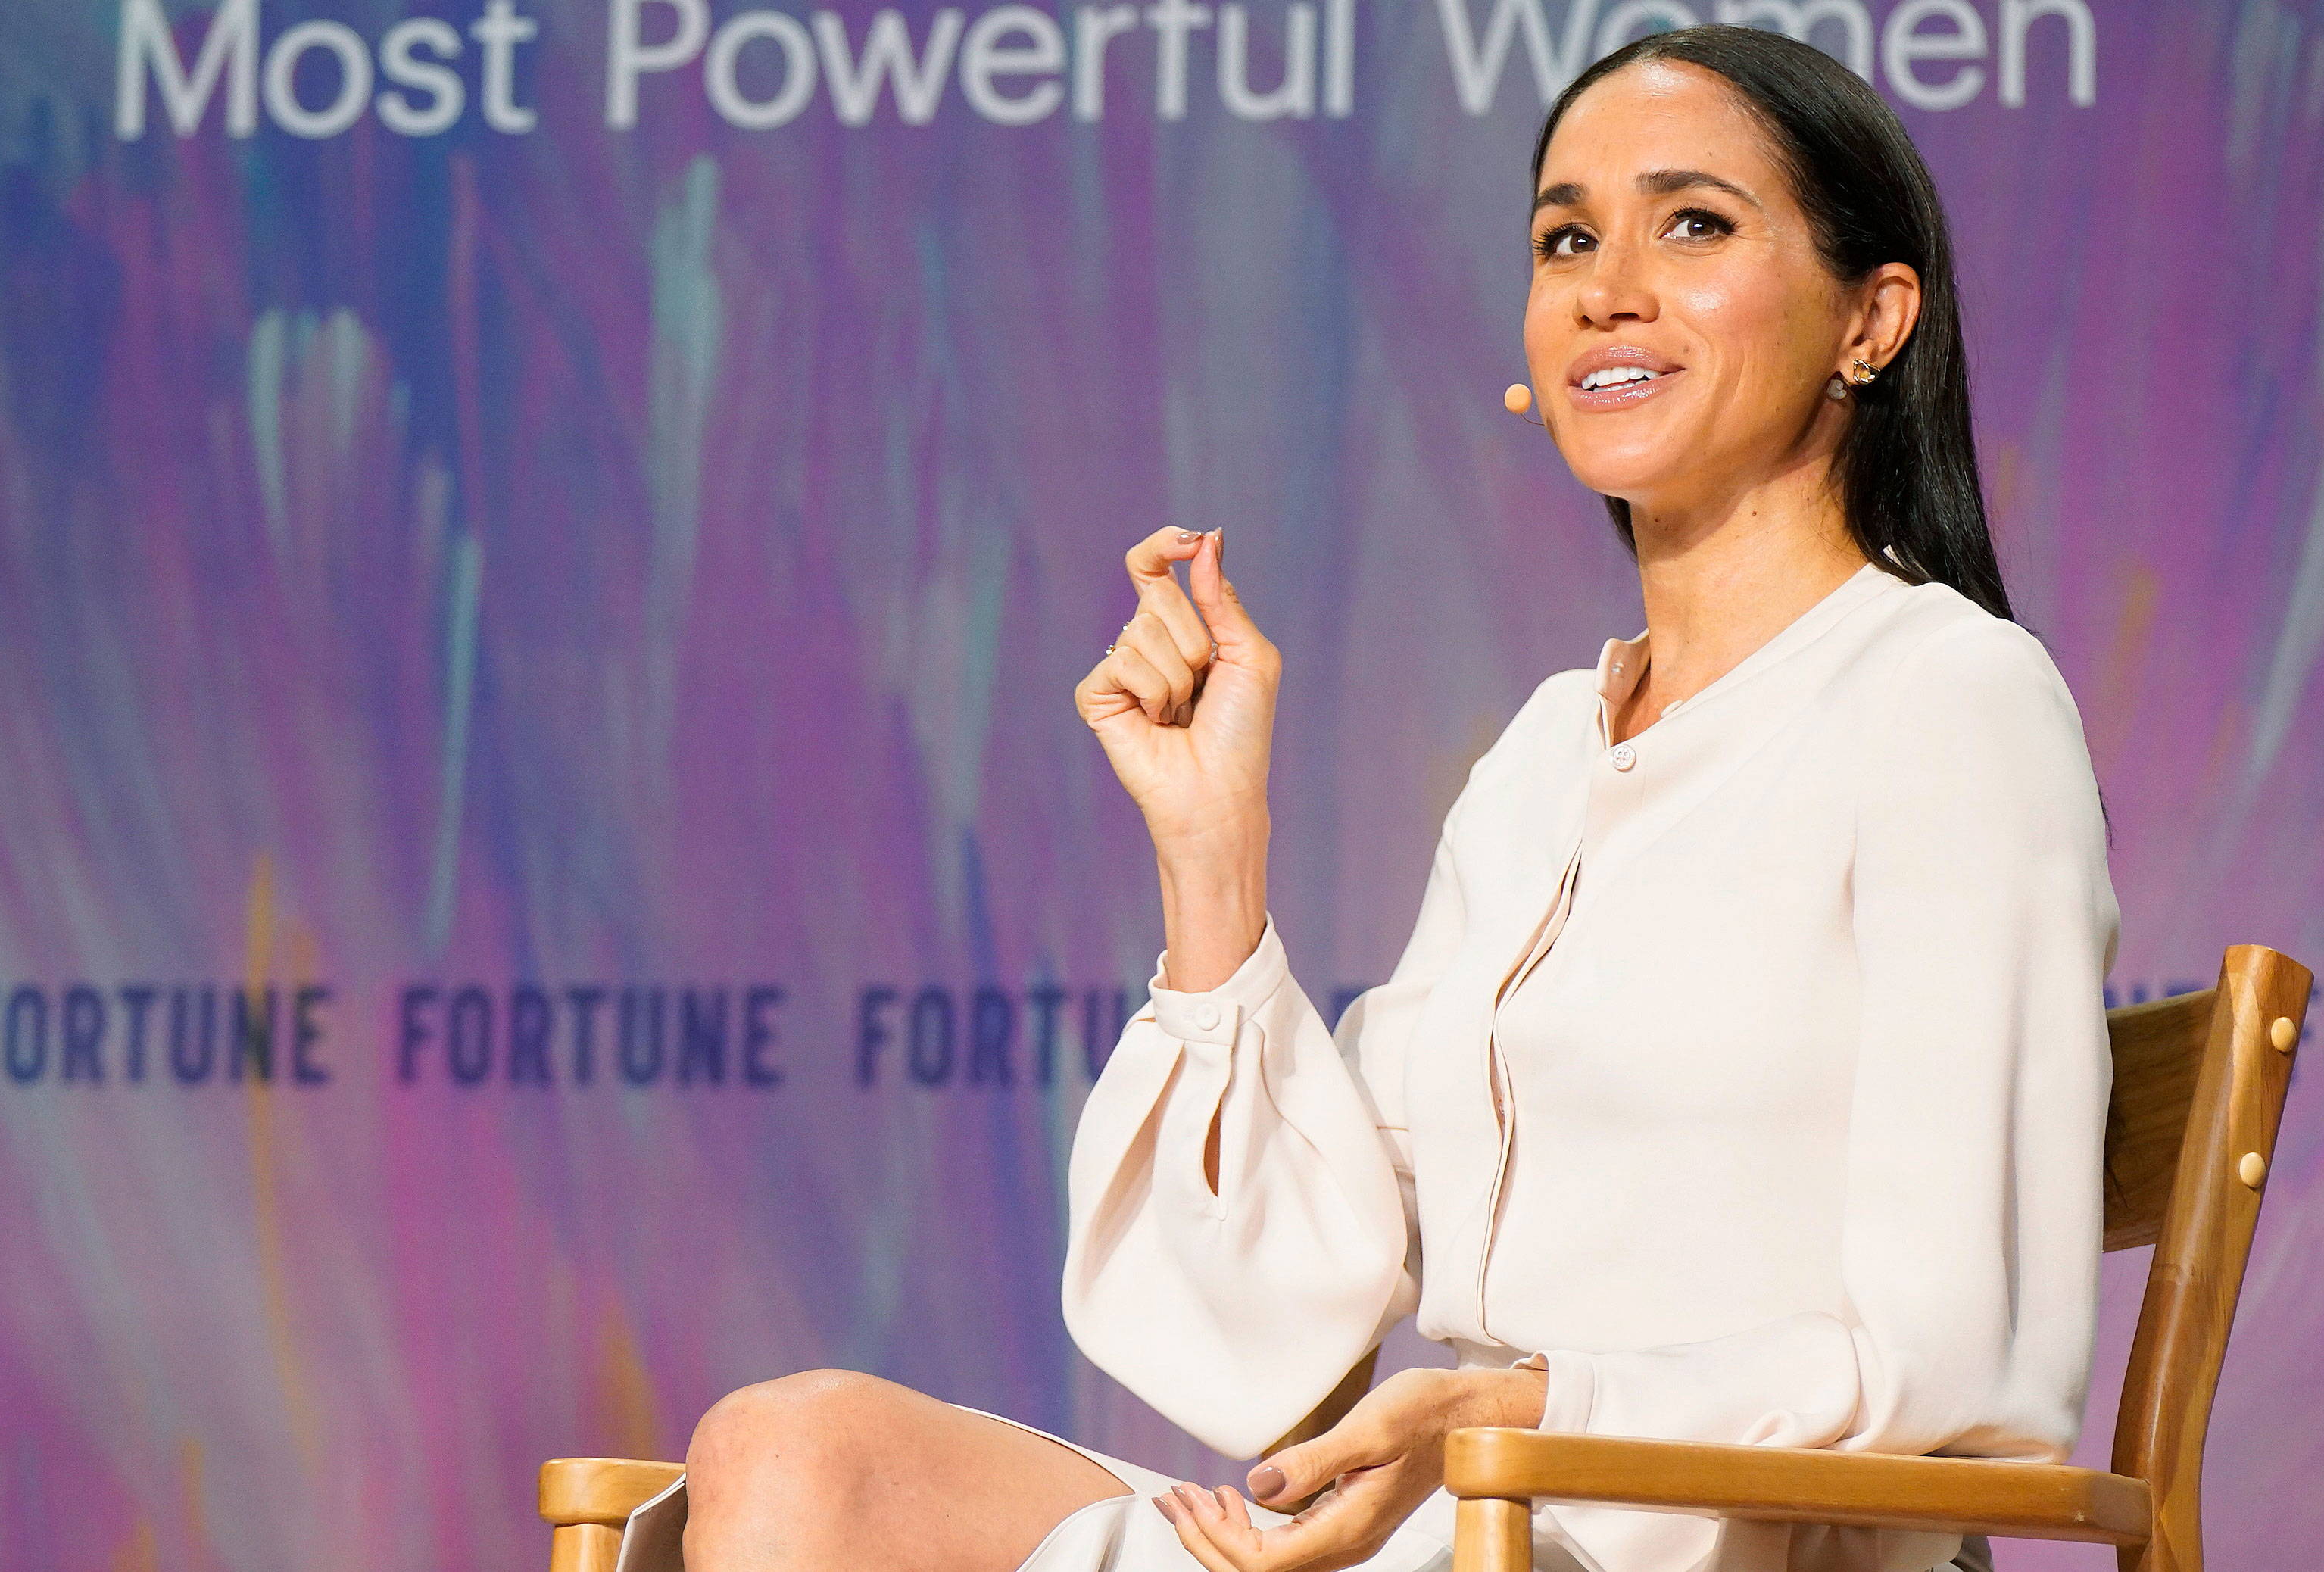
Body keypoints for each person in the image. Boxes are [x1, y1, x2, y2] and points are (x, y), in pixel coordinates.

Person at [678, 25, 2117, 1572]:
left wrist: (1524, 1417)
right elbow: (1270, 1344)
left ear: (1869, 321)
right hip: (1450, 1529)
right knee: (789, 1456)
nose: (1605, 284)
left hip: (1699, 1549)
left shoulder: (1946, 702)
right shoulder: (1544, 757)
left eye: (1692, 223)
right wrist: (1213, 862)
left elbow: (1972, 1375)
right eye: (1566, 237)